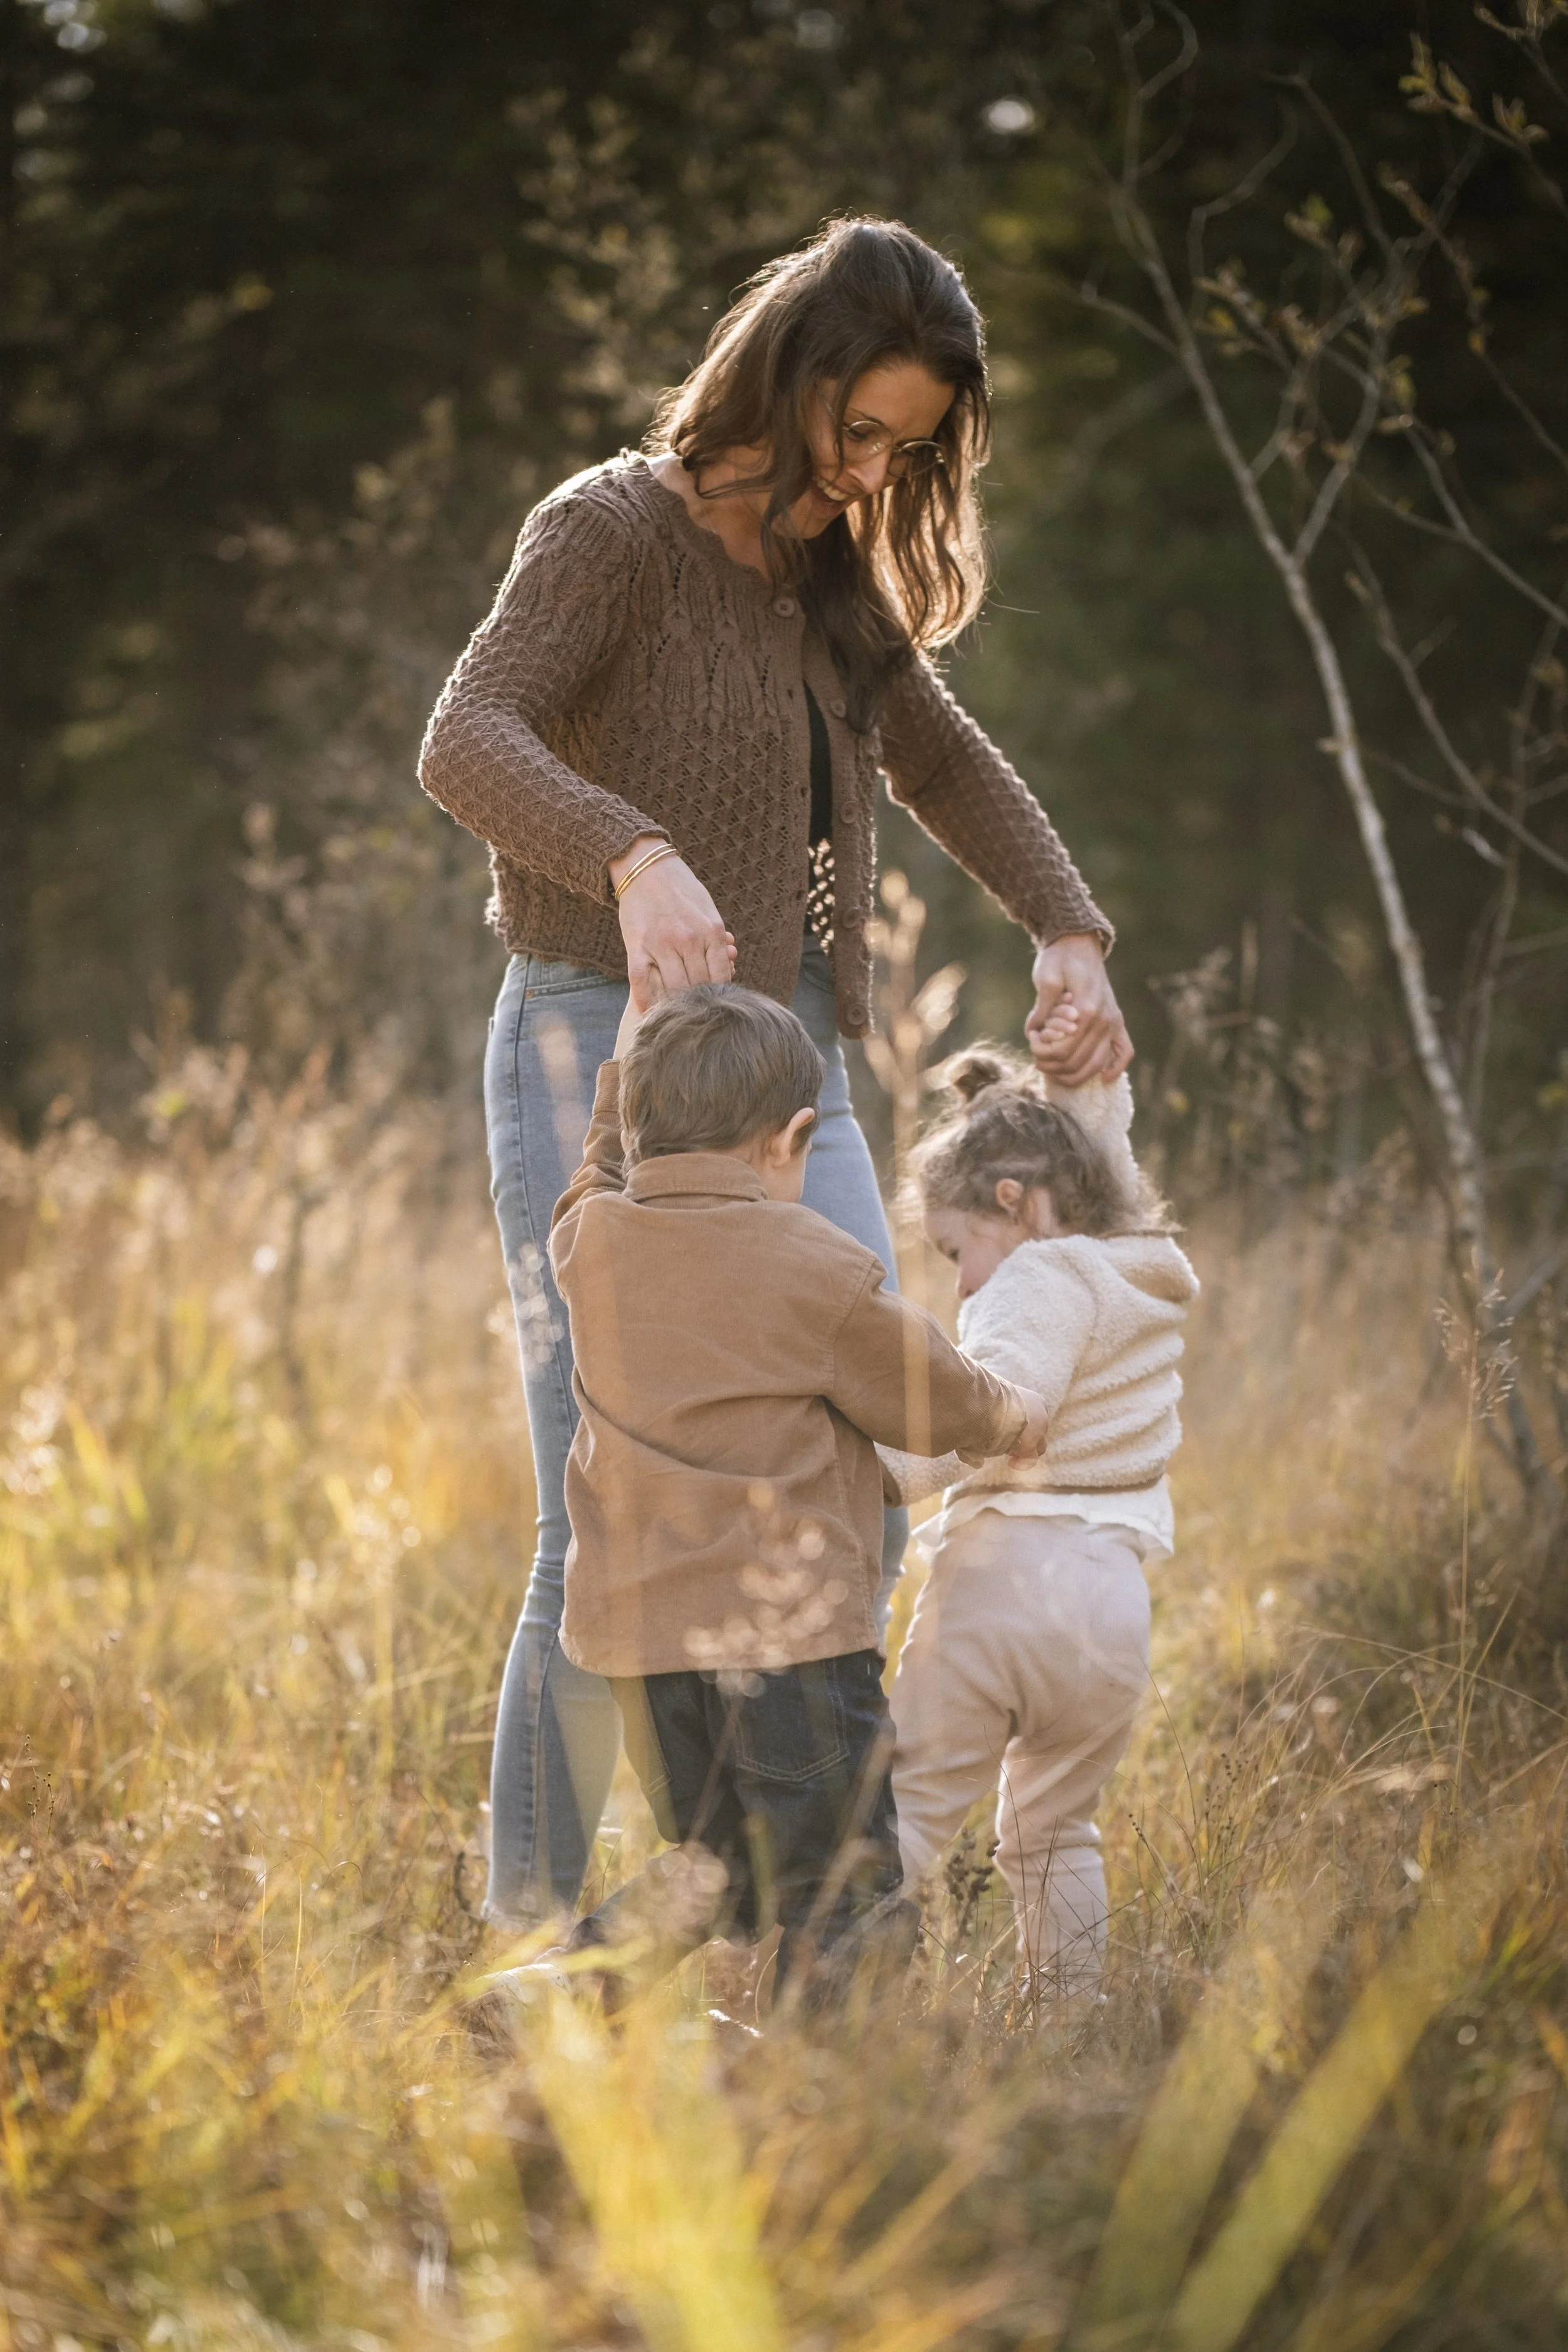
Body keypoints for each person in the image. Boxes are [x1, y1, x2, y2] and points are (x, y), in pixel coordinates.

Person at [417, 215, 1131, 1927]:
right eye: (857, 427)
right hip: (594, 1049)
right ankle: (523, 1932)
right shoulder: (610, 533)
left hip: (789, 1070)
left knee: (857, 1465)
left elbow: (948, 760)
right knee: (599, 1513)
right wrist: (630, 849)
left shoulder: (829, 579)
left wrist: (1067, 929)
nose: (872, 467)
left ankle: (769, 1889)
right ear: (791, 372)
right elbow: (467, 736)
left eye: (907, 445)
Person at [529, 983, 1049, 2001]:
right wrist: (1010, 1417)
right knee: (840, 1886)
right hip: (794, 1646)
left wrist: (617, 1075)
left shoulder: (589, 1244)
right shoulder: (817, 1262)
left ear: (639, 1128)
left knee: (718, 1864)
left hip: (641, 1648)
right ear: (792, 1135)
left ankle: (560, 1992)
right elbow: (928, 1397)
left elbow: (590, 1177)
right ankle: (828, 2094)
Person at [879, 1027, 1198, 1998]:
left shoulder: (1036, 1278)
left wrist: (875, 1470)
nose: (962, 1280)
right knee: (1058, 1832)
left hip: (1006, 1583)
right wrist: (1084, 1081)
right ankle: (1067, 2022)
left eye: (954, 1251)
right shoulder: (1133, 1264)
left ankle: (804, 2004)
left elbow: (996, 1410)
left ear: (1011, 1205)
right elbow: (1105, 1149)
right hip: (1113, 1604)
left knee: (903, 1816)